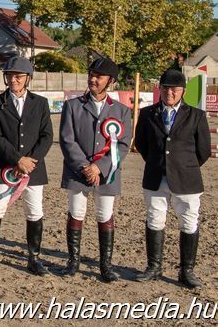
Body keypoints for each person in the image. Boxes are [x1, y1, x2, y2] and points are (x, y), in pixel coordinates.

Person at [134, 68, 210, 288]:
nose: (170, 93)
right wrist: (160, 164)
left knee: (188, 221)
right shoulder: (148, 114)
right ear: (160, 89)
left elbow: (203, 151)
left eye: (175, 89)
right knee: (155, 219)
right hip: (156, 176)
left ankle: (186, 271)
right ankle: (154, 267)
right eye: (166, 88)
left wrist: (182, 167)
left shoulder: (197, 115)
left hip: (187, 178)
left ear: (183, 91)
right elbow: (141, 144)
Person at [58, 57, 131, 282]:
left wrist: (99, 167)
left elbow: (124, 144)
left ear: (110, 81)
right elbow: (67, 140)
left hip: (107, 172)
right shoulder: (72, 106)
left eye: (98, 76)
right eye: (91, 75)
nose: (93, 79)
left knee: (104, 214)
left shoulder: (121, 110)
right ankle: (73, 261)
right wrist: (85, 167)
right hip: (77, 170)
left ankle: (105, 265)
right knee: (76, 212)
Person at [0, 56, 53, 275]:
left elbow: (47, 135)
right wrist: (16, 160)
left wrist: (30, 162)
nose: (14, 80)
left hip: (33, 168)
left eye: (18, 76)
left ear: (27, 78)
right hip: (5, 166)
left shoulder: (40, 103)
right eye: (10, 76)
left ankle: (34, 257)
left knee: (34, 211)